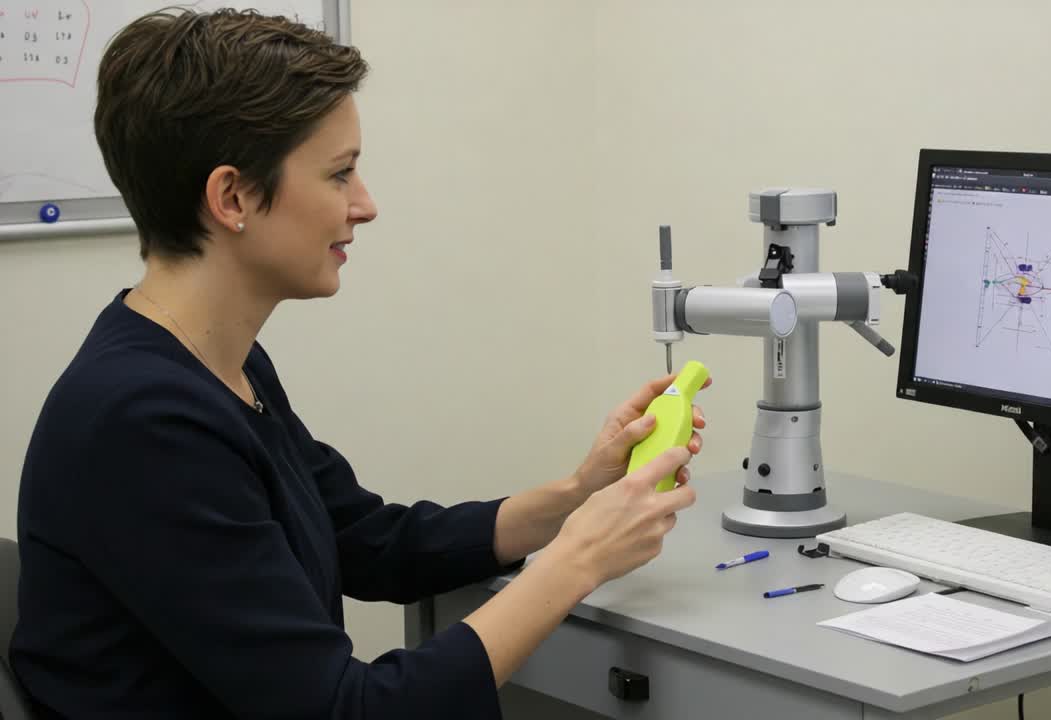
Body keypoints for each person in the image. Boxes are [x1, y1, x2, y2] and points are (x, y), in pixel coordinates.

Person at [9, 8, 707, 719]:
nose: (366, 206)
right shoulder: (142, 424)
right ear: (233, 197)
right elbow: (348, 713)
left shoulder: (216, 367)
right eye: (340, 174)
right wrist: (580, 558)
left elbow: (372, 541)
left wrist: (575, 497)